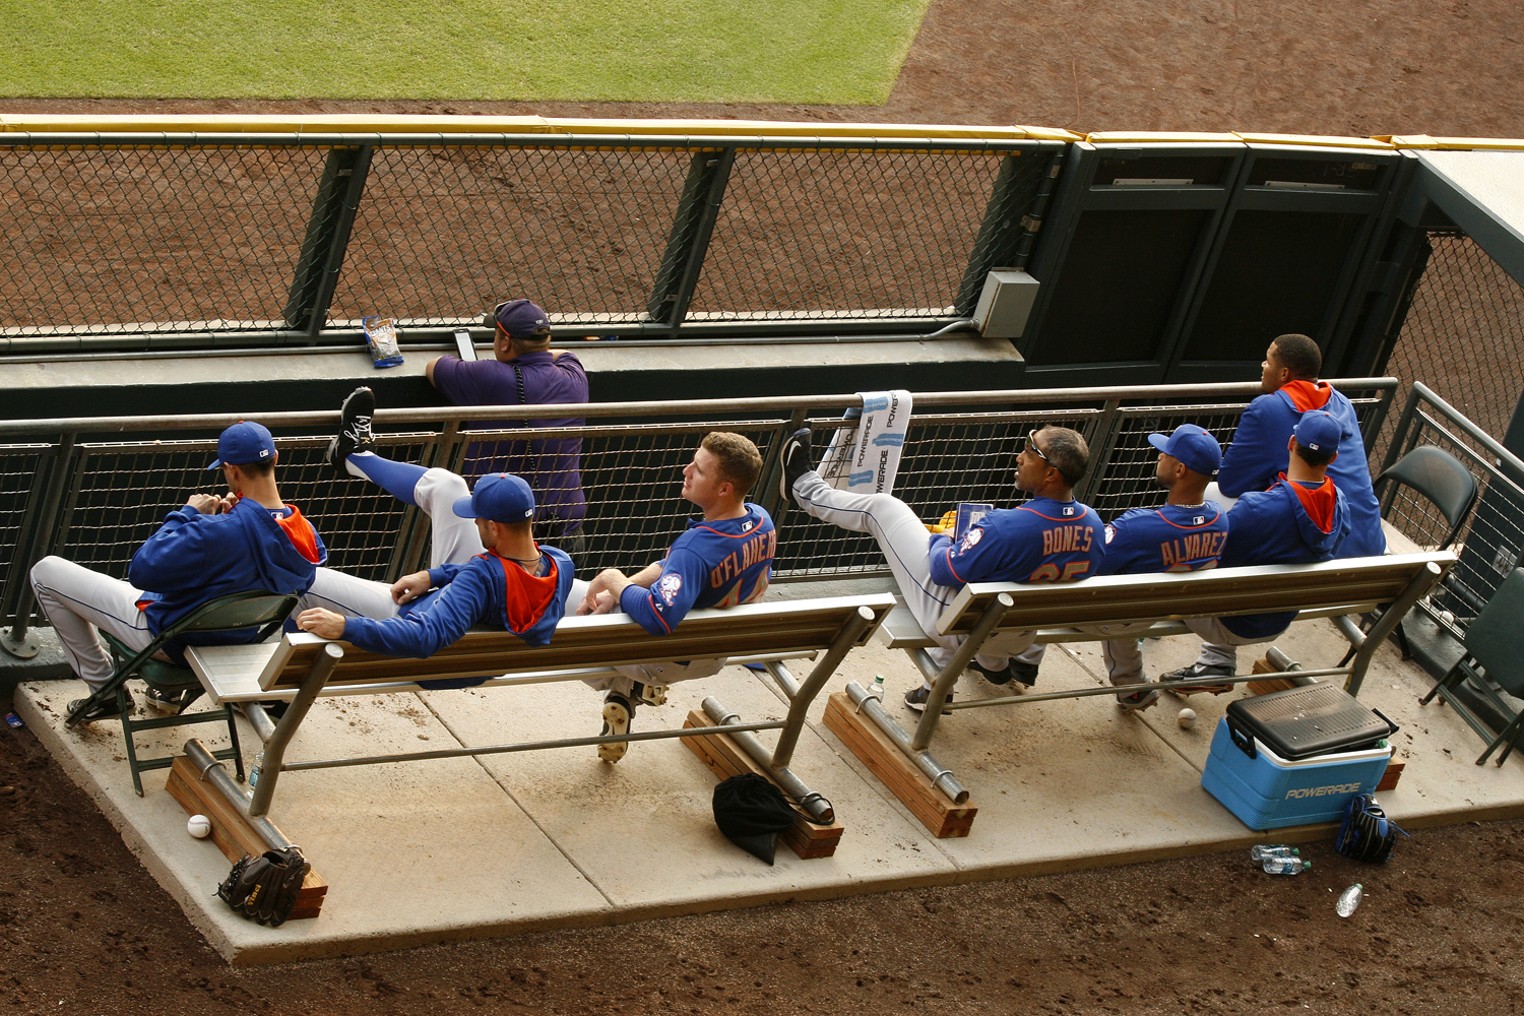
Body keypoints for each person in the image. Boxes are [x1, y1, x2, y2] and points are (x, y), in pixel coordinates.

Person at [779, 424, 1105, 713]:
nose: (1020, 456)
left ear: (1051, 474)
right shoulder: (1092, 522)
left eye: (1030, 451)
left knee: (883, 508)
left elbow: (944, 571)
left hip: (956, 625)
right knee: (987, 584)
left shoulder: (1007, 526)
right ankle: (956, 680)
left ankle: (803, 488)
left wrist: (946, 540)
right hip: (1019, 637)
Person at [30, 421, 327, 721]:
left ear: (231, 469)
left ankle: (105, 692)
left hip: (170, 641)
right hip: (236, 640)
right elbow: (275, 574)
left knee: (46, 573)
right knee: (209, 582)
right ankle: (166, 694)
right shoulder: (305, 533)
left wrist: (188, 516)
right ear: (275, 458)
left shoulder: (214, 532)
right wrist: (232, 518)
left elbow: (142, 569)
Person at [296, 388, 574, 661]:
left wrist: (346, 626)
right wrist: (435, 576)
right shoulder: (560, 563)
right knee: (447, 485)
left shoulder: (480, 577)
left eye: (476, 519)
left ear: (494, 527)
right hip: (470, 639)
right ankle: (352, 453)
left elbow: (425, 637)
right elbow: (489, 577)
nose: (473, 522)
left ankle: (273, 695)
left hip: (411, 627)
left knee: (300, 579)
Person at [573, 431, 776, 762]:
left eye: (698, 468)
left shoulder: (695, 548)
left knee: (568, 610)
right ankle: (626, 693)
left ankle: (632, 685)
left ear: (724, 488)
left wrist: (613, 580)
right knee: (608, 603)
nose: (686, 470)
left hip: (666, 658)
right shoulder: (760, 520)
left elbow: (658, 616)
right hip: (714, 654)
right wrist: (621, 590)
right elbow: (672, 568)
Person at [1162, 410, 1351, 687]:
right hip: (1276, 619)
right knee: (1224, 510)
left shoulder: (1258, 507)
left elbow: (1209, 558)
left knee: (1172, 541)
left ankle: (1132, 682)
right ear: (1333, 458)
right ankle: (1217, 662)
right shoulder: (1340, 505)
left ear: (1291, 443)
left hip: (1228, 621)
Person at [427, 298, 589, 555]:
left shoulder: (490, 377)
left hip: (506, 535)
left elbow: (435, 367)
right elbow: (562, 355)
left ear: (504, 342)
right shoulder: (574, 376)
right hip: (566, 527)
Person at [1096, 425, 1231, 711]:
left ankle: (1017, 660)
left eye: (1166, 454)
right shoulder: (1220, 519)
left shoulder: (1137, 527)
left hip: (1121, 614)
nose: (1159, 456)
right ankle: (1133, 689)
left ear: (1180, 469)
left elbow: (1088, 567)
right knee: (1130, 610)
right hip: (1163, 607)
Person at [1216, 332, 1384, 557]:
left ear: (1284, 373)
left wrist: (1270, 477)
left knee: (1216, 501)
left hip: (1320, 560)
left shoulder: (1266, 409)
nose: (1263, 365)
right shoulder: (1343, 402)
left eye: (1268, 360)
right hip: (1369, 546)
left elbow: (1230, 484)